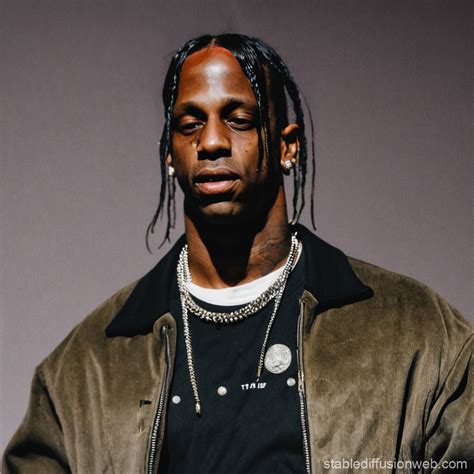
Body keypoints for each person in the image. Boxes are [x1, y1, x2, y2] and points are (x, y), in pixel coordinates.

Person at [3, 34, 472, 473]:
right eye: (189, 125)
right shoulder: (86, 368)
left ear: (287, 146)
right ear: (170, 154)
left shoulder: (416, 332)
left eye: (239, 120)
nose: (211, 142)